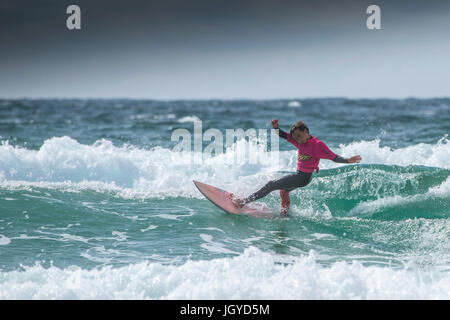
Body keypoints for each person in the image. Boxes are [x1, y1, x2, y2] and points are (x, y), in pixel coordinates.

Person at [231, 119, 362, 214]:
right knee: (283, 191)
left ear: (306, 131)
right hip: (303, 176)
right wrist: (276, 128)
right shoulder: (299, 141)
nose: (297, 140)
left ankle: (243, 202)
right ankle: (285, 214)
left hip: (303, 177)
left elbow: (333, 157)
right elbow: (284, 135)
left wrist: (347, 160)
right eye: (295, 138)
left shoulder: (317, 145)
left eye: (299, 136)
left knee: (271, 185)